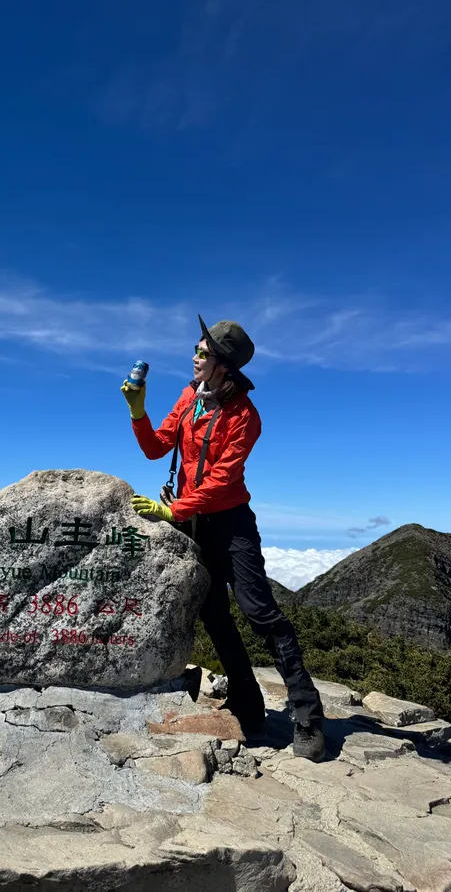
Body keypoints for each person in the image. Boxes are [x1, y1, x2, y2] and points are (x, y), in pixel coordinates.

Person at [121, 316, 325, 762]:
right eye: (196, 350)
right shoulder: (189, 397)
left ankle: (307, 714)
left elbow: (221, 478)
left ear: (224, 366)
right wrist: (138, 409)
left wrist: (173, 509)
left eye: (202, 352)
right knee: (213, 612)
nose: (194, 358)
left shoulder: (244, 416)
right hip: (197, 523)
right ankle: (248, 704)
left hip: (230, 522)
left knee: (260, 612)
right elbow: (158, 447)